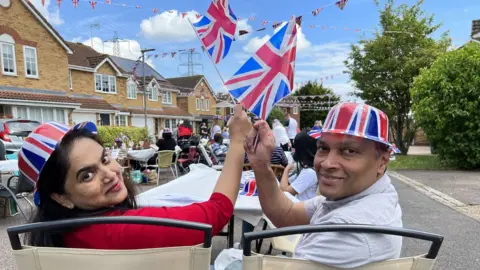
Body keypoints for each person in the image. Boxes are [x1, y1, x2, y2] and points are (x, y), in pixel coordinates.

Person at [20, 104, 252, 249]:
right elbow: (216, 213)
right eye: (87, 175)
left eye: (104, 159)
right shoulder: (119, 231)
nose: (110, 174)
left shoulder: (58, 237)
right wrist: (238, 142)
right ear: (60, 197)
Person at [244, 102, 402, 269]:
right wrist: (261, 165)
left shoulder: (346, 233)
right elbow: (287, 213)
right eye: (323, 148)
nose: (327, 163)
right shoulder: (365, 194)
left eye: (349, 151)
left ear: (382, 161)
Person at [280, 132, 318, 202]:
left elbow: (284, 192)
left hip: (301, 209)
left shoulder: (309, 172)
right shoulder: (310, 168)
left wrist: (286, 170)